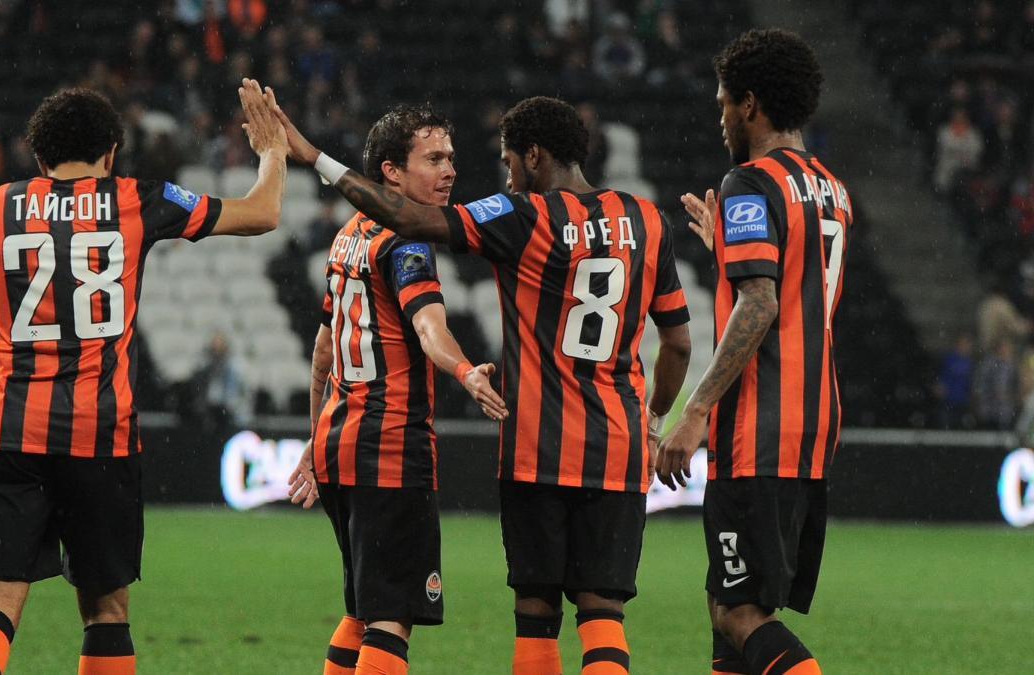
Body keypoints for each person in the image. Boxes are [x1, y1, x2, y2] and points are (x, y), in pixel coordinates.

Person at [277, 95, 692, 675]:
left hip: (533, 447)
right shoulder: (649, 219)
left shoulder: (520, 215)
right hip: (616, 446)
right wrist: (654, 421)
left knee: (531, 611)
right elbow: (678, 344)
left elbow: (412, 228)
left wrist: (313, 157)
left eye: (507, 160)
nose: (502, 174)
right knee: (602, 616)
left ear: (534, 156)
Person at [0, 80, 287, 675]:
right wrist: (274, 151)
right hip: (100, 435)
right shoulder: (135, 198)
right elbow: (262, 213)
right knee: (106, 610)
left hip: (11, 432)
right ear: (111, 152)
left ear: (38, 156)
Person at [286, 105, 507, 675]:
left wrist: (315, 441)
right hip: (389, 448)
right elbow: (431, 328)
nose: (450, 171)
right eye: (433, 159)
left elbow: (322, 354)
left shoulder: (345, 239)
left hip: (340, 445)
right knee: (391, 615)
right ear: (391, 172)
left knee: (364, 606)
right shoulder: (404, 244)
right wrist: (466, 373)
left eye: (451, 158)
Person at [660, 28, 852, 675]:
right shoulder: (832, 189)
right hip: (813, 424)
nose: (719, 119)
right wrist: (729, 252)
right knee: (727, 605)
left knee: (738, 612)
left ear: (749, 105)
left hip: (758, 429)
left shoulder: (750, 181)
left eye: (721, 104)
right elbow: (797, 293)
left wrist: (694, 409)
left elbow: (762, 304)